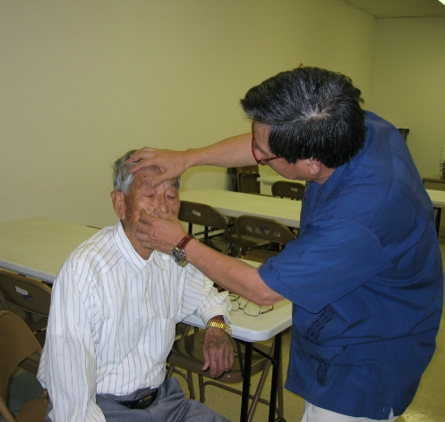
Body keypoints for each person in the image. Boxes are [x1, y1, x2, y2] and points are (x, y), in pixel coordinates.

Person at [127, 67, 443, 422]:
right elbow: (268, 143)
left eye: (262, 154)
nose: (256, 155)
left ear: (310, 162)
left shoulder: (358, 218)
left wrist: (179, 240)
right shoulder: (349, 125)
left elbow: (262, 290)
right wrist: (188, 157)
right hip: (346, 310)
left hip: (369, 352)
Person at [37, 150, 234, 422]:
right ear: (120, 204)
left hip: (164, 400)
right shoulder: (86, 271)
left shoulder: (171, 253)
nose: (164, 209)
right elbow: (73, 403)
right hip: (101, 408)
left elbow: (206, 294)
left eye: (172, 196)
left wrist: (217, 327)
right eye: (151, 196)